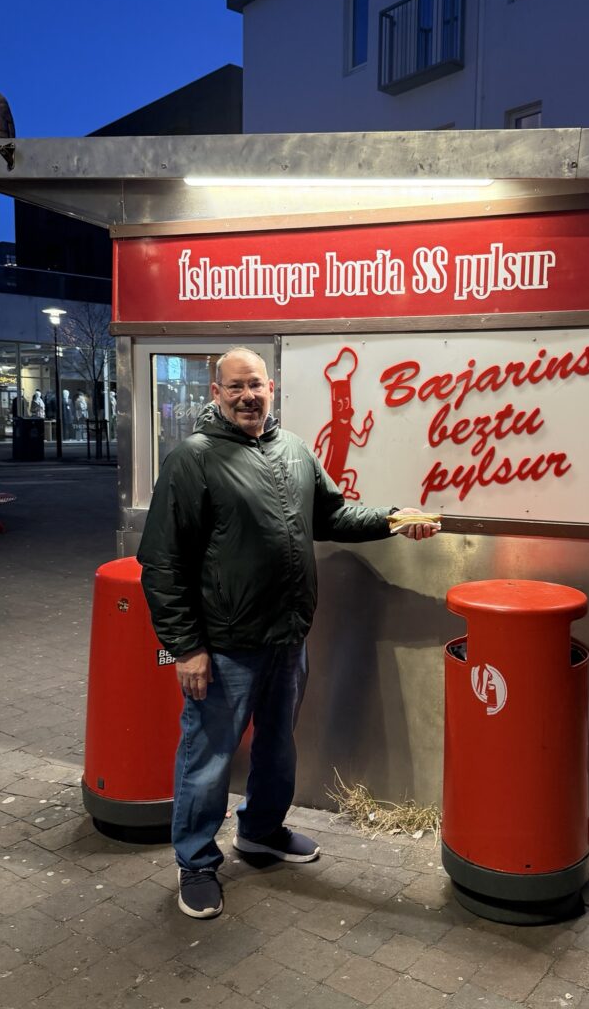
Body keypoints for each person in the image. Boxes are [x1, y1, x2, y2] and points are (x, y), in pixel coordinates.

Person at [137, 346, 438, 919]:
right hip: (224, 646)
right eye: (235, 388)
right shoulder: (192, 461)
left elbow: (333, 515)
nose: (247, 396)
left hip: (287, 637)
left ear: (271, 387)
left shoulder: (295, 450)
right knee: (207, 754)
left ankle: (261, 833)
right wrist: (187, 647)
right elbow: (163, 564)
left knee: (277, 745)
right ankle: (197, 862)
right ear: (216, 393)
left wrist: (395, 519)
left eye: (256, 386)